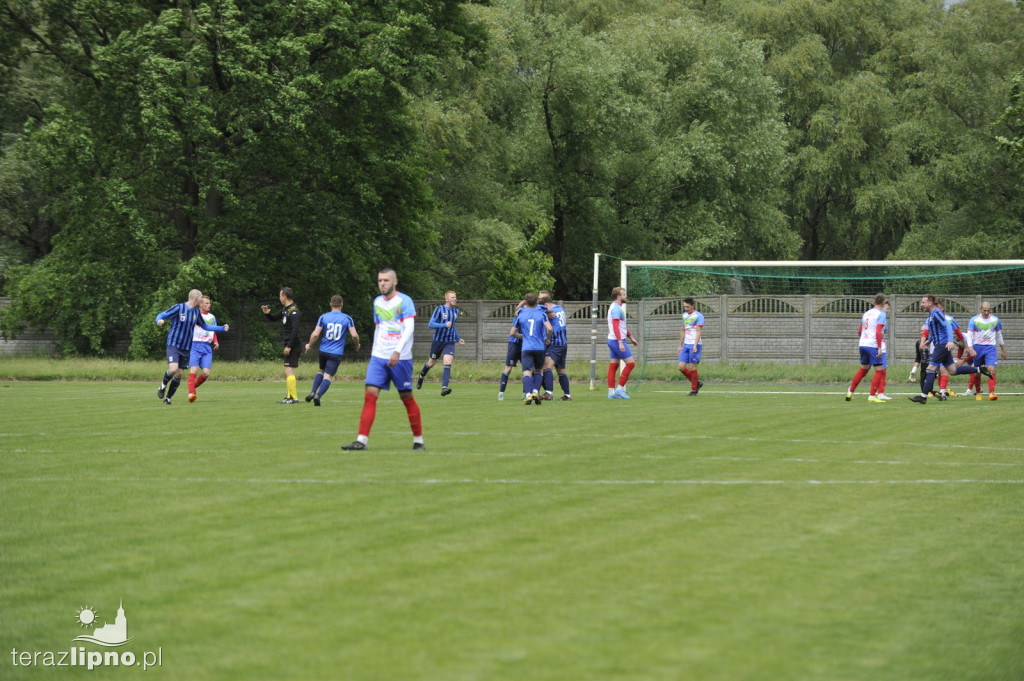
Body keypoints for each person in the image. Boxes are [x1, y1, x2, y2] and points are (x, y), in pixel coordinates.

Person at [342, 268, 424, 451]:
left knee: (406, 398)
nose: (382, 283)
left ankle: (418, 441)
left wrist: (396, 351)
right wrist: (374, 353)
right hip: (379, 358)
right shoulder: (377, 302)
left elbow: (409, 329)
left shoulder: (405, 301)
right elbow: (379, 329)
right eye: (380, 280)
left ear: (395, 282)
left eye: (386, 280)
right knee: (369, 396)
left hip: (400, 358)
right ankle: (361, 441)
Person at [908, 295, 990, 404]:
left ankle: (923, 397)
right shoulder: (932, 315)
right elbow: (937, 330)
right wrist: (929, 340)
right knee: (953, 370)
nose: (921, 304)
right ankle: (979, 369)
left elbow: (947, 325)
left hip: (942, 345)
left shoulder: (936, 312)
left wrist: (950, 340)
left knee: (930, 369)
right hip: (941, 345)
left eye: (923, 302)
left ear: (930, 303)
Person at [155, 289, 228, 406]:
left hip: (186, 347)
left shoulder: (196, 312)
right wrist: (159, 320)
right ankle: (162, 386)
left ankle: (168, 398)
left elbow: (205, 326)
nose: (202, 301)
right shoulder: (179, 308)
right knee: (173, 369)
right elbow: (162, 314)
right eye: (200, 299)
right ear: (195, 298)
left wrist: (221, 328)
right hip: (173, 344)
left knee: (179, 374)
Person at [304, 295, 360, 406]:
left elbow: (315, 334)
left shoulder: (323, 317)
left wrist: (309, 345)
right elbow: (354, 335)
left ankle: (312, 391)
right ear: (342, 305)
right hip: (336, 353)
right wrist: (357, 344)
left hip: (323, 351)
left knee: (321, 370)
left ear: (330, 304)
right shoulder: (347, 318)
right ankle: (318, 396)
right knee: (328, 376)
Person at [416, 290, 465, 396]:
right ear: (447, 299)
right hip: (438, 341)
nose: (455, 299)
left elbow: (452, 327)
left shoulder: (456, 312)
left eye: (455, 297)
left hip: (450, 341)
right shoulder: (439, 309)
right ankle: (421, 377)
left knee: (447, 362)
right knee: (431, 363)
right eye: (452, 297)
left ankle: (444, 388)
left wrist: (458, 338)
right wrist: (443, 325)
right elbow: (431, 324)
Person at [262, 288, 302, 404]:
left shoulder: (294, 311)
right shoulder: (286, 309)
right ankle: (289, 396)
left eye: (280, 296)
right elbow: (274, 317)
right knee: (287, 370)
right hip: (290, 344)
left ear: (284, 296)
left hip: (293, 345)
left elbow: (296, 330)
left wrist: (289, 346)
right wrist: (267, 313)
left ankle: (294, 398)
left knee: (289, 370)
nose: (279, 298)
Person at [512, 292, 553, 405]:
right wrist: (547, 338)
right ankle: (535, 391)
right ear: (537, 302)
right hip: (540, 347)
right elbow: (549, 328)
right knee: (539, 370)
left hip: (526, 347)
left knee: (527, 372)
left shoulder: (520, 314)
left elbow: (512, 333)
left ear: (525, 302)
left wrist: (522, 336)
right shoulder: (541, 313)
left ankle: (529, 395)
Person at [846, 293, 888, 403]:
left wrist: (864, 340)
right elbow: (879, 332)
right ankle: (872, 396)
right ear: (883, 303)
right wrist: (879, 347)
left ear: (874, 302)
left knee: (863, 370)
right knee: (879, 370)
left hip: (863, 343)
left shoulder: (866, 314)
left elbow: (859, 331)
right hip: (872, 344)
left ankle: (850, 392)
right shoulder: (881, 314)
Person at [963, 301, 1007, 401]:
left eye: (988, 310)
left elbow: (999, 335)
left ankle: (991, 393)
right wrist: (971, 348)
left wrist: (1003, 350)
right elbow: (969, 335)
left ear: (990, 309)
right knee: (977, 372)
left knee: (991, 369)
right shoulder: (974, 320)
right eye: (984, 310)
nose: (986, 312)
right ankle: (978, 393)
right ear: (980, 309)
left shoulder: (995, 320)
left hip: (990, 348)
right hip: (977, 347)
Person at [186, 295, 220, 403]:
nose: (209, 305)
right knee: (194, 370)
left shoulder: (212, 317)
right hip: (195, 345)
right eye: (206, 303)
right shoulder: (195, 315)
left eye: (209, 303)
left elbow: (213, 330)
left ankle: (193, 387)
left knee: (206, 373)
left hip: (206, 347)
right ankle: (191, 394)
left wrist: (215, 341)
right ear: (200, 304)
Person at [606, 287, 638, 399]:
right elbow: (615, 327)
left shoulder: (615, 307)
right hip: (616, 340)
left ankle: (611, 393)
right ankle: (619, 390)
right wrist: (620, 342)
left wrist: (631, 337)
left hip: (613, 339)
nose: (626, 296)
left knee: (614, 366)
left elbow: (621, 326)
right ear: (619, 296)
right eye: (624, 294)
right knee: (631, 363)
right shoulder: (616, 309)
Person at [538, 293, 571, 401]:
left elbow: (549, 326)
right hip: (563, 343)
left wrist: (547, 338)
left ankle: (549, 393)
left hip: (555, 343)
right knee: (561, 371)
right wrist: (547, 312)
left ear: (547, 304)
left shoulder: (551, 311)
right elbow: (548, 311)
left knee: (547, 367)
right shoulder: (559, 308)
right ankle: (567, 395)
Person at [677, 297, 705, 397]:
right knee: (681, 367)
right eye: (684, 307)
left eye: (688, 307)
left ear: (692, 305)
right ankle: (696, 383)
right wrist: (680, 345)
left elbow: (698, 332)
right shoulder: (684, 315)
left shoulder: (698, 316)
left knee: (692, 367)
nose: (686, 309)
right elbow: (683, 330)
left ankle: (694, 390)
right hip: (685, 345)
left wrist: (695, 345)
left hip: (695, 344)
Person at [498, 306, 523, 401]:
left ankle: (525, 394)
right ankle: (501, 393)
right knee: (508, 368)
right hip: (514, 343)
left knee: (527, 370)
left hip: (526, 344)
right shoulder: (520, 312)